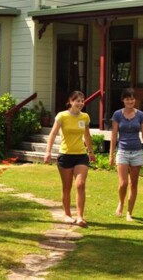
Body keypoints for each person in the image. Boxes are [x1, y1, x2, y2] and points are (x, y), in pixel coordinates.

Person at [44, 90, 95, 227]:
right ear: (71, 101)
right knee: (67, 187)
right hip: (65, 155)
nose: (80, 103)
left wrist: (90, 152)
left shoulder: (85, 117)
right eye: (77, 100)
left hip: (81, 155)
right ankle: (67, 215)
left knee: (80, 184)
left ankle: (80, 217)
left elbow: (87, 136)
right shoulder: (62, 116)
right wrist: (48, 152)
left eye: (82, 100)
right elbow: (53, 134)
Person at [109, 88, 143, 221]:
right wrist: (111, 154)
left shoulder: (140, 115)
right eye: (127, 99)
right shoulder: (117, 115)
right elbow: (114, 135)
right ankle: (121, 202)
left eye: (132, 99)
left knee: (133, 183)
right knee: (123, 184)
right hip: (122, 151)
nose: (130, 101)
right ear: (123, 100)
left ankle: (129, 212)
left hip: (137, 152)